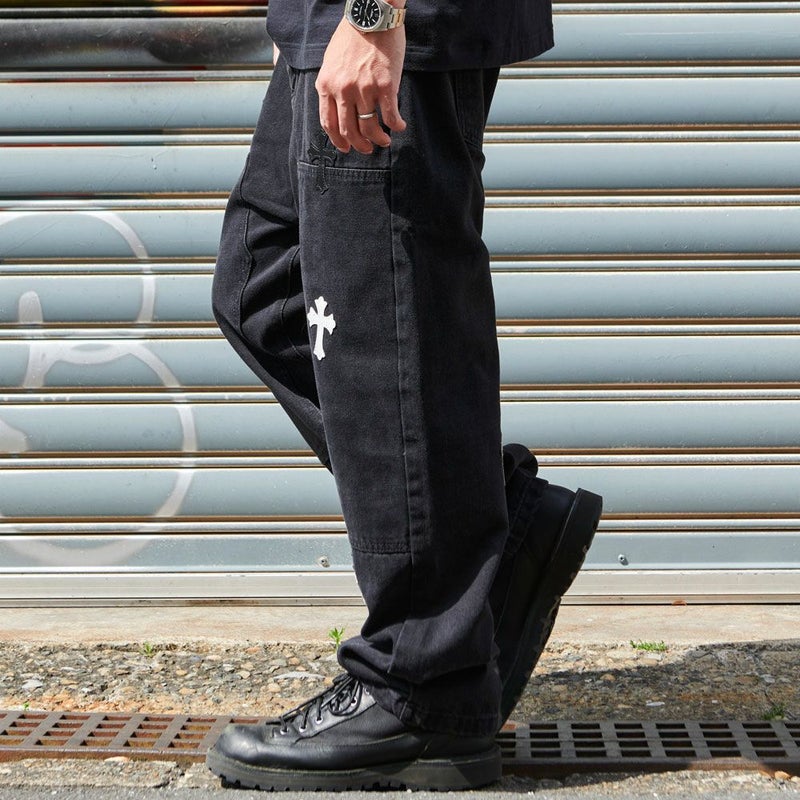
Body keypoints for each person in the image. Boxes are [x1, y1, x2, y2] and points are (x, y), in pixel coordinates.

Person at [206, 0, 603, 790]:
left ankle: (424, 682)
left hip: (389, 24)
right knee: (265, 291)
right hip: (333, 22)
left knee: (384, 317)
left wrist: (376, 16)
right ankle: (487, 542)